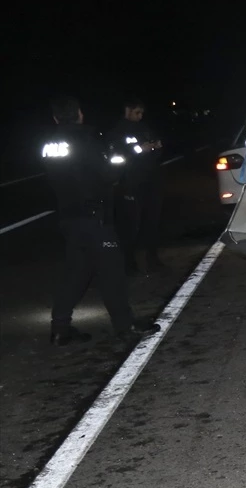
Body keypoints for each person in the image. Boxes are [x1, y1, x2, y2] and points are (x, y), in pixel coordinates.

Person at [41, 95, 161, 347]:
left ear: (55, 118)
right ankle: (125, 326)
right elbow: (108, 174)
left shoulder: (49, 144)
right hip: (94, 217)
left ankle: (60, 327)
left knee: (77, 272)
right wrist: (119, 161)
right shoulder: (86, 140)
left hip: (68, 216)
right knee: (112, 272)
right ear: (79, 114)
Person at [107, 97, 165, 274]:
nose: (140, 116)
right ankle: (128, 263)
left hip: (150, 180)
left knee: (152, 222)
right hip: (130, 183)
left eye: (142, 113)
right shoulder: (118, 130)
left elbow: (157, 148)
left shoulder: (144, 128)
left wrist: (156, 146)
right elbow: (117, 154)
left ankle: (153, 259)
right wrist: (140, 149)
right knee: (130, 225)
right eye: (137, 112)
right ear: (128, 110)